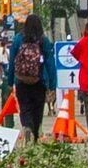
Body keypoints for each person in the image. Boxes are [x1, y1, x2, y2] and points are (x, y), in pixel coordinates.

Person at [10, 18, 55, 146]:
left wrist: (10, 81)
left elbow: (12, 60)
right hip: (39, 81)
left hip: (21, 81)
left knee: (25, 108)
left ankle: (27, 127)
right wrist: (52, 84)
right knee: (37, 108)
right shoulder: (43, 40)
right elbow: (50, 63)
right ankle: (35, 135)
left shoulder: (18, 39)